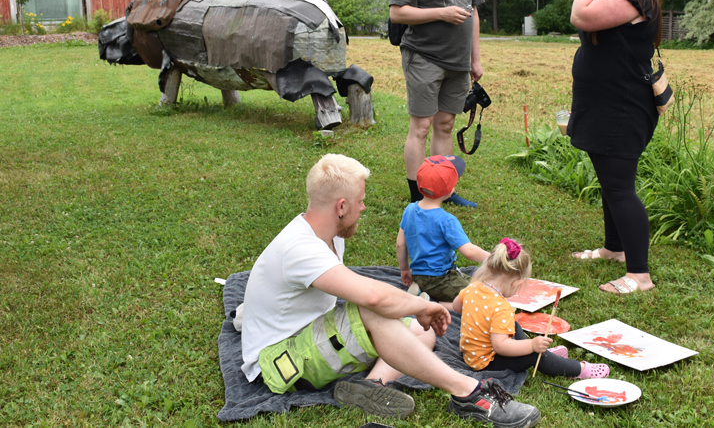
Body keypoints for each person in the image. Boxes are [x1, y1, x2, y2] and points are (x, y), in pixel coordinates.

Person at [240, 154, 540, 427]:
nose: (364, 207)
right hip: (279, 364)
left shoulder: (326, 233)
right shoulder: (302, 249)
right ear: (341, 207)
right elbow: (373, 297)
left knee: (423, 333)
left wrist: (413, 309)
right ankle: (468, 393)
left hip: (305, 341)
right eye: (360, 201)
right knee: (373, 309)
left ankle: (370, 385)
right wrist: (424, 306)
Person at [567, 0, 661, 295]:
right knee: (611, 182)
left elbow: (580, 15)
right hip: (608, 103)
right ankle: (614, 249)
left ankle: (639, 275)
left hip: (622, 108)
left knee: (620, 188)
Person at [389, 0, 485, 208]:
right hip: (424, 56)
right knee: (420, 128)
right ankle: (418, 197)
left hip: (458, 61)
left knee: (445, 125)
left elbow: (473, 12)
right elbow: (397, 12)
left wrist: (475, 59)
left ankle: (442, 190)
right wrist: (441, 13)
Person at [454, 238, 610, 379]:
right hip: (487, 364)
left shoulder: (473, 287)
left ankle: (546, 356)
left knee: (514, 325)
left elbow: (456, 306)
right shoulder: (501, 308)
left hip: (471, 356)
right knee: (534, 355)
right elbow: (500, 346)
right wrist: (531, 346)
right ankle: (579, 369)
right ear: (515, 283)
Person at [396, 155, 489, 309]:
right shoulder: (447, 220)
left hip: (417, 276)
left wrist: (405, 270)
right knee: (479, 298)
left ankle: (421, 290)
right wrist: (492, 257)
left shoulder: (410, 209)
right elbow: (469, 251)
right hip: (440, 279)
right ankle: (431, 303)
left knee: (477, 285)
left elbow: (400, 244)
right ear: (451, 191)